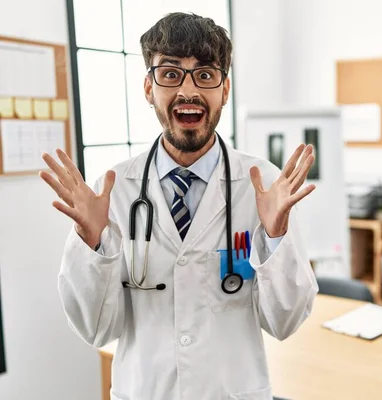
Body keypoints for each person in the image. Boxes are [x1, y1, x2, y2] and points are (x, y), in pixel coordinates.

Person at [39, 12, 318, 400]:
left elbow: (284, 322)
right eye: (170, 74)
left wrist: (274, 238)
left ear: (226, 89)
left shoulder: (264, 186)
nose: (189, 91)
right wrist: (93, 245)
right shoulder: (114, 190)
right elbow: (96, 329)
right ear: (148, 88)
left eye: (205, 74)